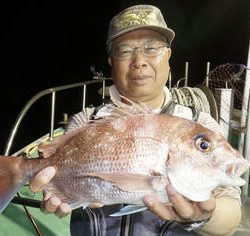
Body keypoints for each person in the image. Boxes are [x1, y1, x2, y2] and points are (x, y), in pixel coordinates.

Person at [30, 4, 242, 236]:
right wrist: (53, 189)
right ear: (111, 61)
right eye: (125, 50)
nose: (139, 60)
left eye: (151, 48)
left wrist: (205, 216)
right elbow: (60, 180)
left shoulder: (200, 124)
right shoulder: (86, 121)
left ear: (168, 57)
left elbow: (231, 217)